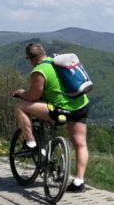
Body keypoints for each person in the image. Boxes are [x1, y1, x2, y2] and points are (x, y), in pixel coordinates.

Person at [12, 41, 90, 192]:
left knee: (21, 106)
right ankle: (79, 181)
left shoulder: (39, 71)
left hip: (60, 110)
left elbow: (33, 96)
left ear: (29, 58)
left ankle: (30, 143)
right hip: (81, 106)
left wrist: (21, 93)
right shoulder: (58, 62)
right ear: (44, 53)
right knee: (80, 144)